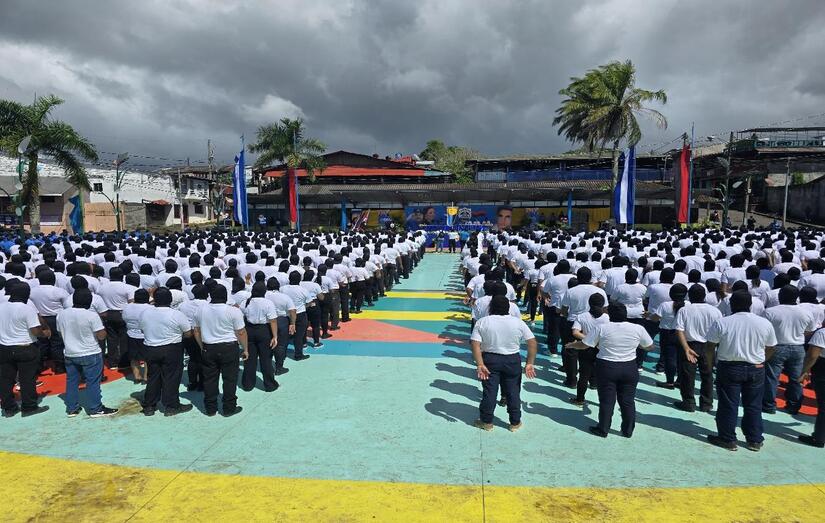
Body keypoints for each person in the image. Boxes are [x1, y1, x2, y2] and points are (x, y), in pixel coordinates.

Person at [567, 303, 654, 438]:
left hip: (606, 367)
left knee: (607, 400)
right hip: (629, 367)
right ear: (625, 314)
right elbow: (649, 346)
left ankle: (603, 429)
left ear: (609, 314)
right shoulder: (638, 328)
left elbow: (584, 345)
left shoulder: (602, 328)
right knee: (628, 401)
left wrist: (572, 345)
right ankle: (627, 430)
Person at [706, 291, 777, 451]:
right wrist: (760, 361)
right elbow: (772, 347)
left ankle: (727, 439)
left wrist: (710, 366)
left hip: (729, 367)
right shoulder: (764, 323)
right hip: (756, 368)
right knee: (753, 405)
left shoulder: (722, 322)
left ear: (731, 304)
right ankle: (754, 439)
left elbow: (710, 346)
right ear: (750, 305)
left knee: (728, 404)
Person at [470, 296, 537, 432]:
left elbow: (475, 344)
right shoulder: (518, 322)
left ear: (491, 307)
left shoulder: (483, 322)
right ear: (508, 308)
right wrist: (529, 363)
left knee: (489, 391)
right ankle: (515, 422)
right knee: (513, 391)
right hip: (512, 360)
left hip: (490, 359)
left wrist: (480, 364)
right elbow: (532, 343)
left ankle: (486, 421)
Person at [56, 289, 117, 417]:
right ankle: (95, 408)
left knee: (72, 381)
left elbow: (60, 333)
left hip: (70, 353)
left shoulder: (61, 315)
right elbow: (101, 336)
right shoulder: (91, 315)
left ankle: (72, 408)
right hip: (90, 353)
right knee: (93, 382)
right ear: (89, 302)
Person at [138, 288, 194, 416]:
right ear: (170, 299)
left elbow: (142, 330)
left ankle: (149, 405)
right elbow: (188, 333)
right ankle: (171, 406)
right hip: (172, 349)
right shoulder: (176, 314)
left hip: (151, 348)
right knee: (171, 377)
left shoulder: (145, 313)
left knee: (153, 377)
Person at [194, 285, 248, 417]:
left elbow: (196, 330)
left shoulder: (201, 310)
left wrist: (202, 346)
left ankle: (210, 408)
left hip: (208, 347)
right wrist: (245, 349)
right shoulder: (233, 311)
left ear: (210, 296)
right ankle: (229, 408)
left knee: (209, 379)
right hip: (229, 348)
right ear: (226, 296)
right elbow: (241, 332)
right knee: (230, 379)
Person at [762, 285, 817, 415]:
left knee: (771, 377)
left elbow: (763, 330)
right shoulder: (805, 312)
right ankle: (793, 406)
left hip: (776, 347)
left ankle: (769, 405)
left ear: (780, 296)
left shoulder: (770, 312)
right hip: (798, 347)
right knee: (797, 378)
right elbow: (810, 330)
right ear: (797, 297)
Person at [0, 283, 50, 417]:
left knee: (5, 379)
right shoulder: (27, 309)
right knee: (27, 378)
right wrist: (45, 333)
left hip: (4, 348)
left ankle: (8, 407)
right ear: (27, 295)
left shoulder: (1, 307)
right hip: (25, 348)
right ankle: (29, 407)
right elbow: (35, 330)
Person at [674, 284, 723, 412]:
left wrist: (686, 348)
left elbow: (679, 330)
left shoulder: (684, 310)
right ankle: (706, 403)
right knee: (707, 375)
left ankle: (689, 402)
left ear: (689, 296)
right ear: (704, 296)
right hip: (709, 346)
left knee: (687, 375)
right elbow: (720, 331)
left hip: (690, 345)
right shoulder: (715, 311)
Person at [569, 293, 610, 406]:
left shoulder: (581, 316)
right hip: (602, 348)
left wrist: (589, 339)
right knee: (602, 375)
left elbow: (575, 332)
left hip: (585, 349)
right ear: (603, 304)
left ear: (589, 303)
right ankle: (598, 391)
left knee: (583, 375)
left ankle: (580, 399)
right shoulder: (607, 318)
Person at [240, 282, 279, 392]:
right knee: (266, 359)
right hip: (264, 331)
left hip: (249, 330)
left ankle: (248, 384)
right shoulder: (268, 303)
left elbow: (241, 316)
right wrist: (275, 336)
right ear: (264, 291)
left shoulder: (245, 302)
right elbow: (273, 321)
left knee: (249, 359)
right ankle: (270, 385)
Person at [798, 327, 825, 448]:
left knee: (823, 407)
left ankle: (819, 438)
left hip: (822, 370)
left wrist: (804, 370)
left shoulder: (822, 333)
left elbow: (813, 355)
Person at [121, 289, 152, 384]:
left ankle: (137, 376)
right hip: (145, 335)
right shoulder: (150, 308)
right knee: (148, 358)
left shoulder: (127, 307)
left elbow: (123, 318)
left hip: (131, 334)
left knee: (133, 357)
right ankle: (146, 377)